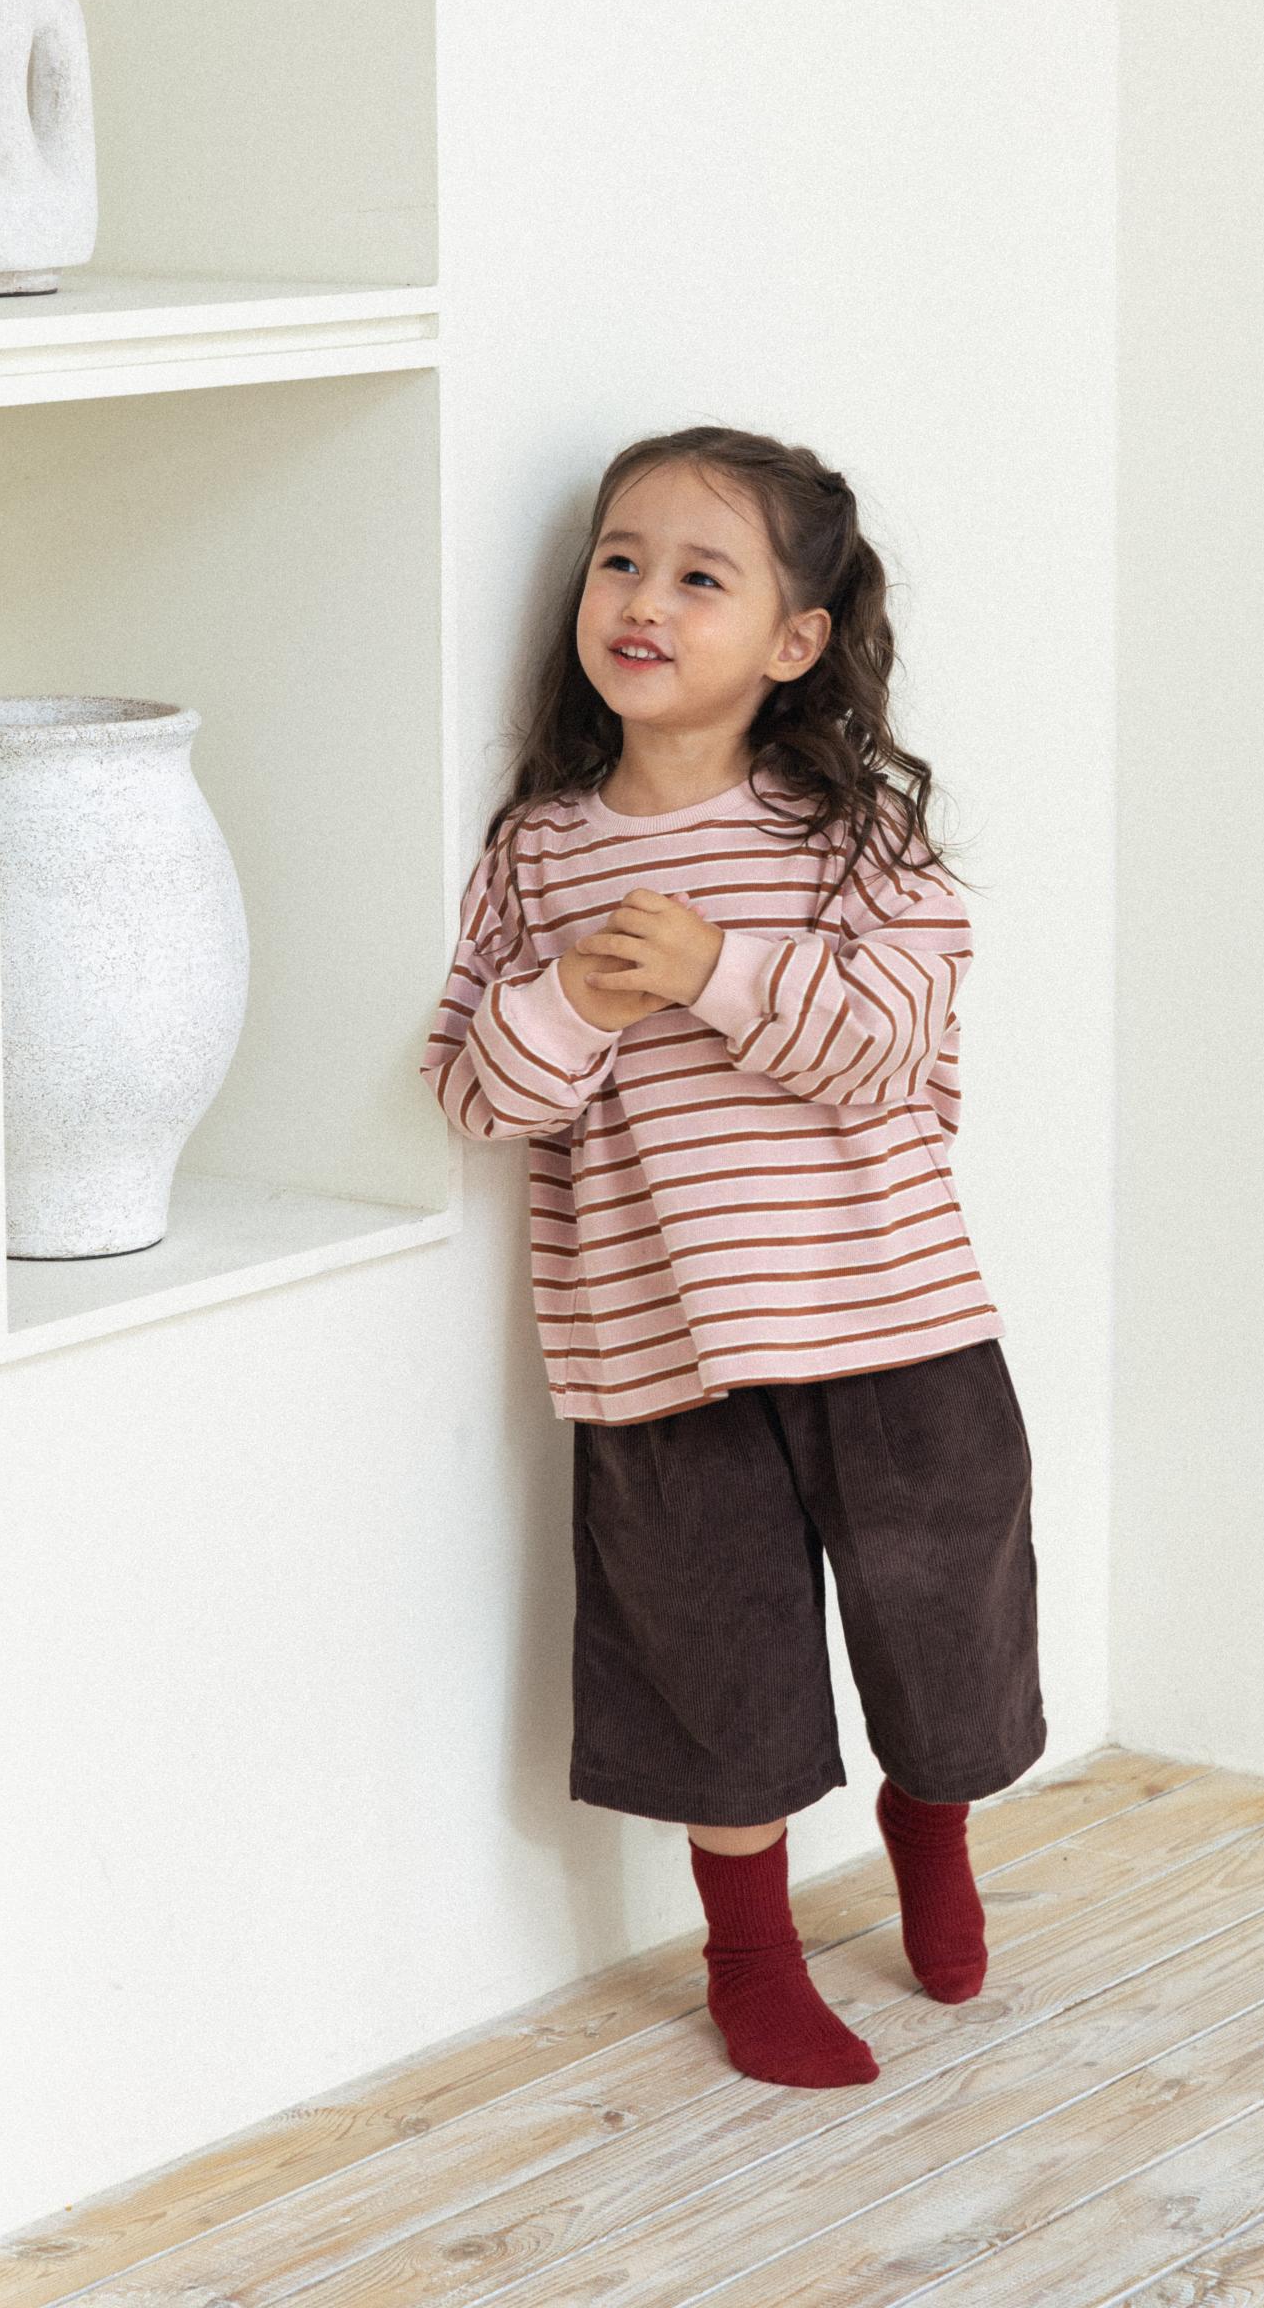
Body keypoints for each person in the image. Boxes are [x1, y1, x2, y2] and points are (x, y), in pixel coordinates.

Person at [421, 423, 1045, 2089]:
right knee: (716, 1669)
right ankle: (752, 1959)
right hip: (659, 1352)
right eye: (620, 562)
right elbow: (480, 1094)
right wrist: (576, 997)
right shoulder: (540, 854)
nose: (643, 600)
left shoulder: (854, 843)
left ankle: (931, 1826)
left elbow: (881, 1051)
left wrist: (714, 968)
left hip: (893, 1320)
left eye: (702, 577)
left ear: (794, 641)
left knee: (950, 1639)